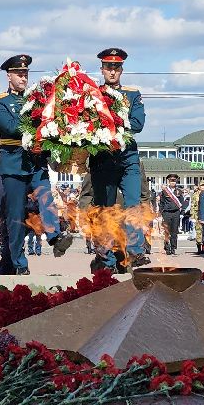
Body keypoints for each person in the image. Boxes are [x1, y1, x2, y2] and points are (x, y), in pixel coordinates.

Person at [88, 47, 147, 271]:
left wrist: (112, 122)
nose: (112, 72)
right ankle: (108, 260)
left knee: (133, 204)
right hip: (103, 159)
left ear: (121, 70)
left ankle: (136, 251)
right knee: (105, 209)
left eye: (116, 68)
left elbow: (138, 123)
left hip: (127, 157)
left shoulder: (132, 94)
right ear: (102, 69)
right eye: (108, 67)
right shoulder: (91, 95)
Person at [0, 54, 36, 275]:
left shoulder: (37, 99)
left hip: (34, 162)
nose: (23, 77)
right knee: (14, 222)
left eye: (25, 73)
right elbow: (11, 128)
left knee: (44, 202)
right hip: (14, 166)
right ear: (9, 76)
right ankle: (17, 265)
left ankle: (55, 235)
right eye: (19, 73)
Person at [156, 174, 183, 256]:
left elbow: (182, 202)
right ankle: (167, 247)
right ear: (168, 181)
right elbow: (162, 203)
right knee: (167, 231)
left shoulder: (179, 191)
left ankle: (173, 248)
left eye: (174, 181)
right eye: (171, 181)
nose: (173, 182)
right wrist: (160, 213)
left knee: (174, 231)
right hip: (167, 213)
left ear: (176, 181)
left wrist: (182, 213)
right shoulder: (164, 191)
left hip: (176, 213)